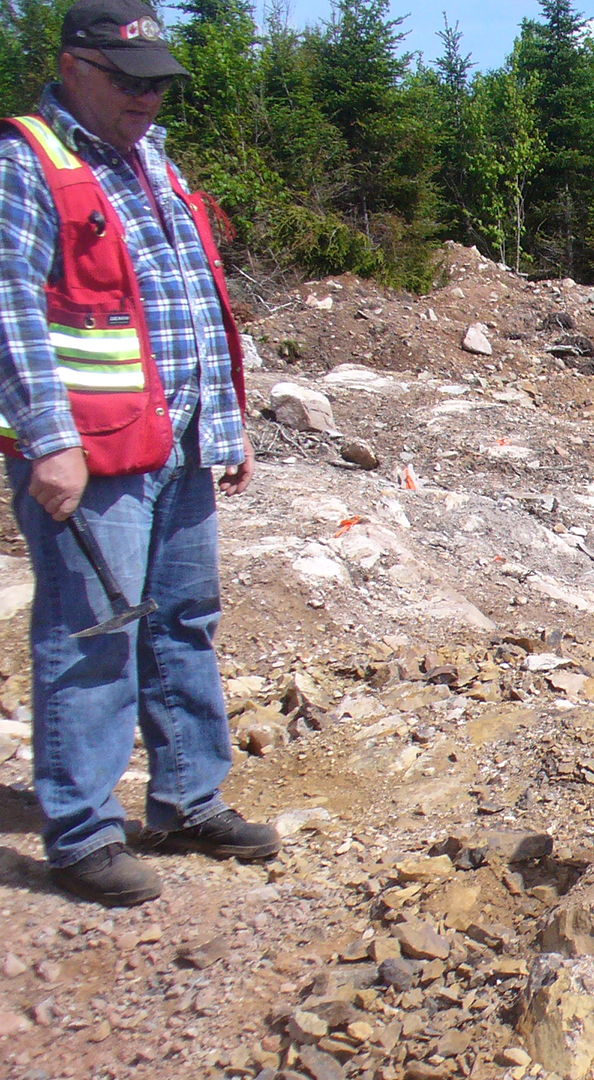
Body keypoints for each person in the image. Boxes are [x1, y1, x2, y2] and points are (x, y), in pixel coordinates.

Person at [0, 0, 277, 907]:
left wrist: (224, 427)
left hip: (181, 441)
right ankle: (82, 835)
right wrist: (48, 441)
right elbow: (9, 310)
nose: (147, 98)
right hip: (91, 452)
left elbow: (192, 302)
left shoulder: (155, 161)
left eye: (158, 83)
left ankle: (187, 799)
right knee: (93, 634)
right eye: (129, 81)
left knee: (182, 622)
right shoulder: (30, 163)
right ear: (74, 67)